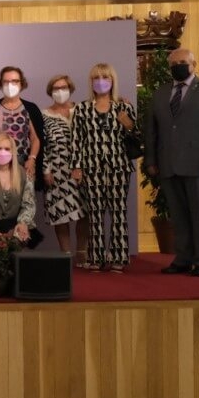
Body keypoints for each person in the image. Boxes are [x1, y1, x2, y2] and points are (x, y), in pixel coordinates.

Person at [145, 48, 199, 278]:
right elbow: (152, 130)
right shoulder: (160, 93)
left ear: (194, 63)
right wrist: (151, 159)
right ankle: (182, 258)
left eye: (183, 62)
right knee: (178, 216)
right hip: (168, 165)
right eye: (174, 63)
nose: (178, 66)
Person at [70, 64, 138, 273]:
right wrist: (76, 166)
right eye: (96, 77)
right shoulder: (82, 108)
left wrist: (128, 125)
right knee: (96, 213)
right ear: (91, 82)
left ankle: (119, 256)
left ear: (112, 80)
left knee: (118, 213)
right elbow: (76, 140)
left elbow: (135, 138)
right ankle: (96, 257)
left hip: (119, 167)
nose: (101, 81)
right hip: (91, 168)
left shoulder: (124, 107)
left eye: (105, 77)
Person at [41, 74, 87, 266]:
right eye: (56, 88)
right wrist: (46, 169)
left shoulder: (82, 110)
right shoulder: (44, 114)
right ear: (51, 92)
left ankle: (82, 252)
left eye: (64, 87)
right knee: (60, 213)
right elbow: (42, 144)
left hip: (82, 169)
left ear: (71, 89)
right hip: (56, 170)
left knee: (85, 212)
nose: (60, 91)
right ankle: (65, 253)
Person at [0, 66, 44, 183]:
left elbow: (36, 138)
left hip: (24, 164)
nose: (10, 85)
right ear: (0, 84)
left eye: (15, 81)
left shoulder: (31, 108)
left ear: (22, 84)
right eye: (6, 81)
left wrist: (32, 159)